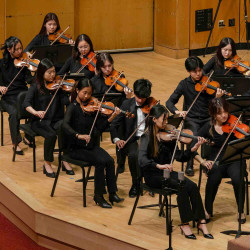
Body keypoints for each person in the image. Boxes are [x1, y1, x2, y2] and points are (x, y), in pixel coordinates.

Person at [139, 104, 213, 240]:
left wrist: (193, 148)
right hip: (153, 175)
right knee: (182, 187)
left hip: (167, 173)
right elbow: (142, 161)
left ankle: (201, 221)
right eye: (164, 120)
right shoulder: (147, 137)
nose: (167, 123)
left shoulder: (169, 136)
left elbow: (180, 156)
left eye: (167, 120)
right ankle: (184, 224)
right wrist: (159, 166)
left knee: (192, 186)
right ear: (154, 119)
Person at [63, 78, 124, 208]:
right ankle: (99, 196)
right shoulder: (72, 108)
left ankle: (112, 193)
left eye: (89, 94)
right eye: (84, 93)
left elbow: (98, 129)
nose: (87, 96)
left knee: (109, 160)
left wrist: (111, 117)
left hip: (89, 146)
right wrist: (79, 135)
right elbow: (65, 126)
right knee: (100, 162)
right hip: (75, 148)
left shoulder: (92, 109)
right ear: (77, 90)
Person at [166, 56, 224, 176]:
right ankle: (190, 162)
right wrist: (177, 112)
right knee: (193, 135)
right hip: (191, 119)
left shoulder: (209, 83)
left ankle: (210, 162)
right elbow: (169, 102)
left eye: (200, 70)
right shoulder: (184, 84)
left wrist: (217, 98)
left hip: (208, 118)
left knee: (217, 135)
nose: (198, 74)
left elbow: (216, 106)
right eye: (195, 71)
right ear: (188, 71)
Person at [195, 97, 246, 224]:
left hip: (234, 159)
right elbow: (192, 146)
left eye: (225, 112)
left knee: (237, 178)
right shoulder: (208, 126)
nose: (224, 115)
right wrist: (202, 161)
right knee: (213, 177)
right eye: (219, 113)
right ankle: (207, 210)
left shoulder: (234, 122)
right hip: (216, 160)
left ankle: (241, 210)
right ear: (213, 114)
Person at [23, 58, 73, 178]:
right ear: (41, 73)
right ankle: (47, 163)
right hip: (39, 121)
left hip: (55, 119)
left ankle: (64, 158)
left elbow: (64, 101)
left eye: (54, 71)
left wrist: (73, 96)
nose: (52, 75)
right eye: (49, 72)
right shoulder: (35, 87)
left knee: (65, 128)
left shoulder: (58, 86)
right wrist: (35, 112)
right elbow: (26, 104)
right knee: (50, 135)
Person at [110, 79, 154, 197]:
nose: (140, 101)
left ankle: (153, 182)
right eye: (138, 97)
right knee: (133, 155)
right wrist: (117, 139)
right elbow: (114, 124)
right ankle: (136, 183)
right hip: (133, 139)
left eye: (143, 98)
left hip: (149, 138)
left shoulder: (153, 105)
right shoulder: (126, 104)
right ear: (134, 93)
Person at [0, 36, 33, 154]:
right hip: (8, 97)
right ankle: (15, 143)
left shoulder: (24, 62)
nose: (20, 51)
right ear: (9, 50)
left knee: (36, 107)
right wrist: (0, 87)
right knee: (14, 113)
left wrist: (32, 69)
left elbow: (30, 80)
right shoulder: (2, 64)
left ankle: (28, 136)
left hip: (22, 95)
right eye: (17, 49)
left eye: (21, 48)